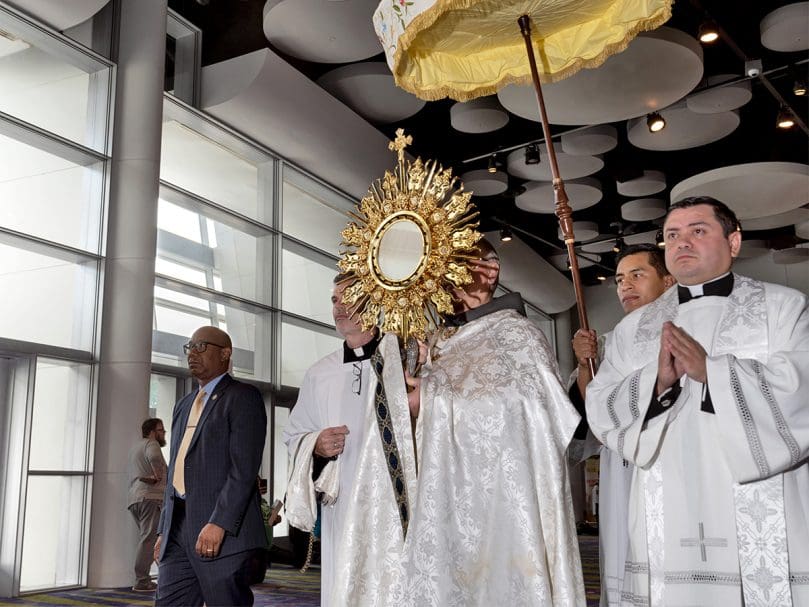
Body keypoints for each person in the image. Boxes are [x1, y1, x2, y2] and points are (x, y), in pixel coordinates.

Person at [586, 196, 809, 606]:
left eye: (698, 231)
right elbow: (600, 404)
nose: (682, 243)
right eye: (672, 235)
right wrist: (654, 385)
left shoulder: (783, 307)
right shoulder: (633, 328)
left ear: (734, 241)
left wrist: (714, 374)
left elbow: (803, 388)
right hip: (665, 496)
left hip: (756, 498)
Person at [383, 238, 586, 606]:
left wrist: (430, 399)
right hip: (444, 491)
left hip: (502, 498)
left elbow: (529, 412)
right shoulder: (439, 339)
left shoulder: (518, 335)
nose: (443, 277)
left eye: (455, 265)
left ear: (489, 273)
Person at [569, 243, 674, 606]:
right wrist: (585, 364)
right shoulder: (611, 339)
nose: (625, 286)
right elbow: (593, 403)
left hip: (666, 456)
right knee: (624, 543)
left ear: (668, 280)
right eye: (618, 279)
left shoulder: (683, 326)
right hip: (621, 462)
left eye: (637, 275)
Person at [283, 274, 381, 606]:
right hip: (342, 506)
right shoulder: (319, 372)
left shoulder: (403, 361)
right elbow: (293, 435)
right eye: (334, 300)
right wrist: (316, 444)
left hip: (390, 503)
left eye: (347, 297)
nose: (338, 306)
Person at [154, 326, 268, 607]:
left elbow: (243, 470)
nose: (192, 353)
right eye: (189, 347)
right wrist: (163, 530)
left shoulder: (243, 397)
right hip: (177, 530)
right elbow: (175, 471)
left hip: (220, 532)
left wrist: (219, 523)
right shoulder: (183, 404)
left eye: (201, 346)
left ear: (225, 354)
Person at [127, 417, 167, 592]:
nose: (163, 433)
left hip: (136, 499)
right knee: (149, 539)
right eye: (161, 430)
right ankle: (142, 580)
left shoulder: (135, 447)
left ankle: (149, 577)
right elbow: (154, 458)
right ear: (152, 432)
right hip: (150, 497)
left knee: (148, 539)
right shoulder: (152, 444)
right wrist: (158, 474)